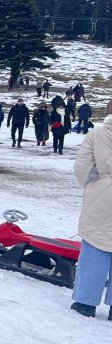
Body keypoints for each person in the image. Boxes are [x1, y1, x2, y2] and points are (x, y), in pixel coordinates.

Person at [70, 101, 112, 318]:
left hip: (101, 196)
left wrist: (92, 181)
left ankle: (86, 302)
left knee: (95, 249)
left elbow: (82, 167)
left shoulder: (95, 135)